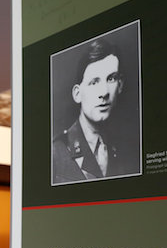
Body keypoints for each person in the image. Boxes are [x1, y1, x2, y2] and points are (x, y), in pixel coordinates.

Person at [52, 38, 134, 184]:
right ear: (77, 94)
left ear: (120, 85)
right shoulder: (55, 152)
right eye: (94, 82)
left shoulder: (127, 149)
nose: (104, 92)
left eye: (111, 79)